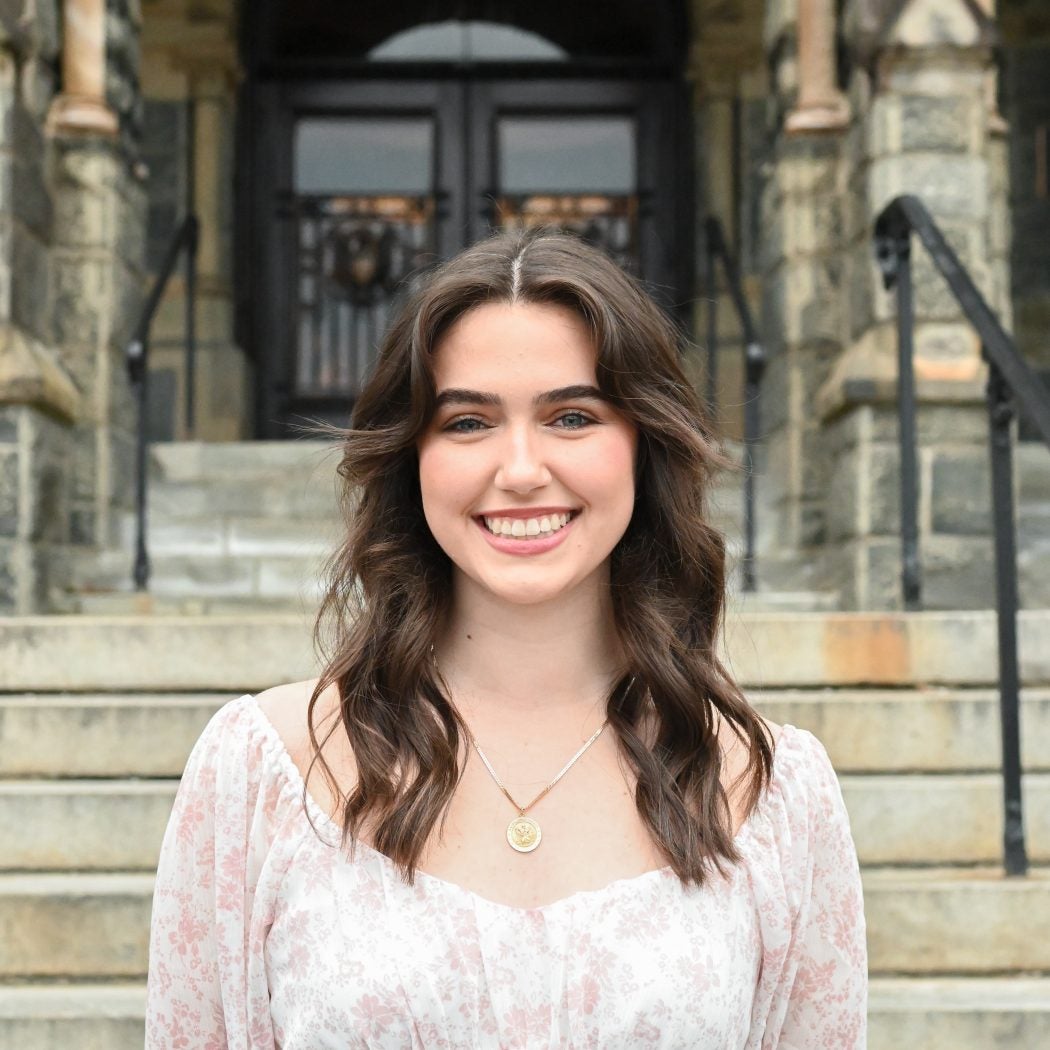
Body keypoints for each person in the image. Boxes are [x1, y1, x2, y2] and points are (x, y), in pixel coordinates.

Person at [145, 230, 867, 1048]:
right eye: (467, 422)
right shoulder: (262, 771)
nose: (521, 469)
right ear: (410, 456)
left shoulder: (775, 794)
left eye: (571, 416)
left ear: (644, 444)